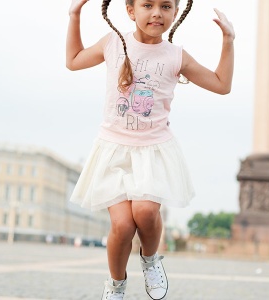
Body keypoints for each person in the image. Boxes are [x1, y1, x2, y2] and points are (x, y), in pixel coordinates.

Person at [66, 0, 235, 299]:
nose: (157, 12)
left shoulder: (175, 56)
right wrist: (75, 14)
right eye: (148, 4)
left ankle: (150, 259)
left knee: (145, 211)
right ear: (131, 11)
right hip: (113, 151)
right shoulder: (112, 44)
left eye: (166, 6)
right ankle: (116, 284)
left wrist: (228, 40)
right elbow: (74, 59)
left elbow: (222, 85)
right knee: (121, 226)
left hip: (153, 150)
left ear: (175, 12)